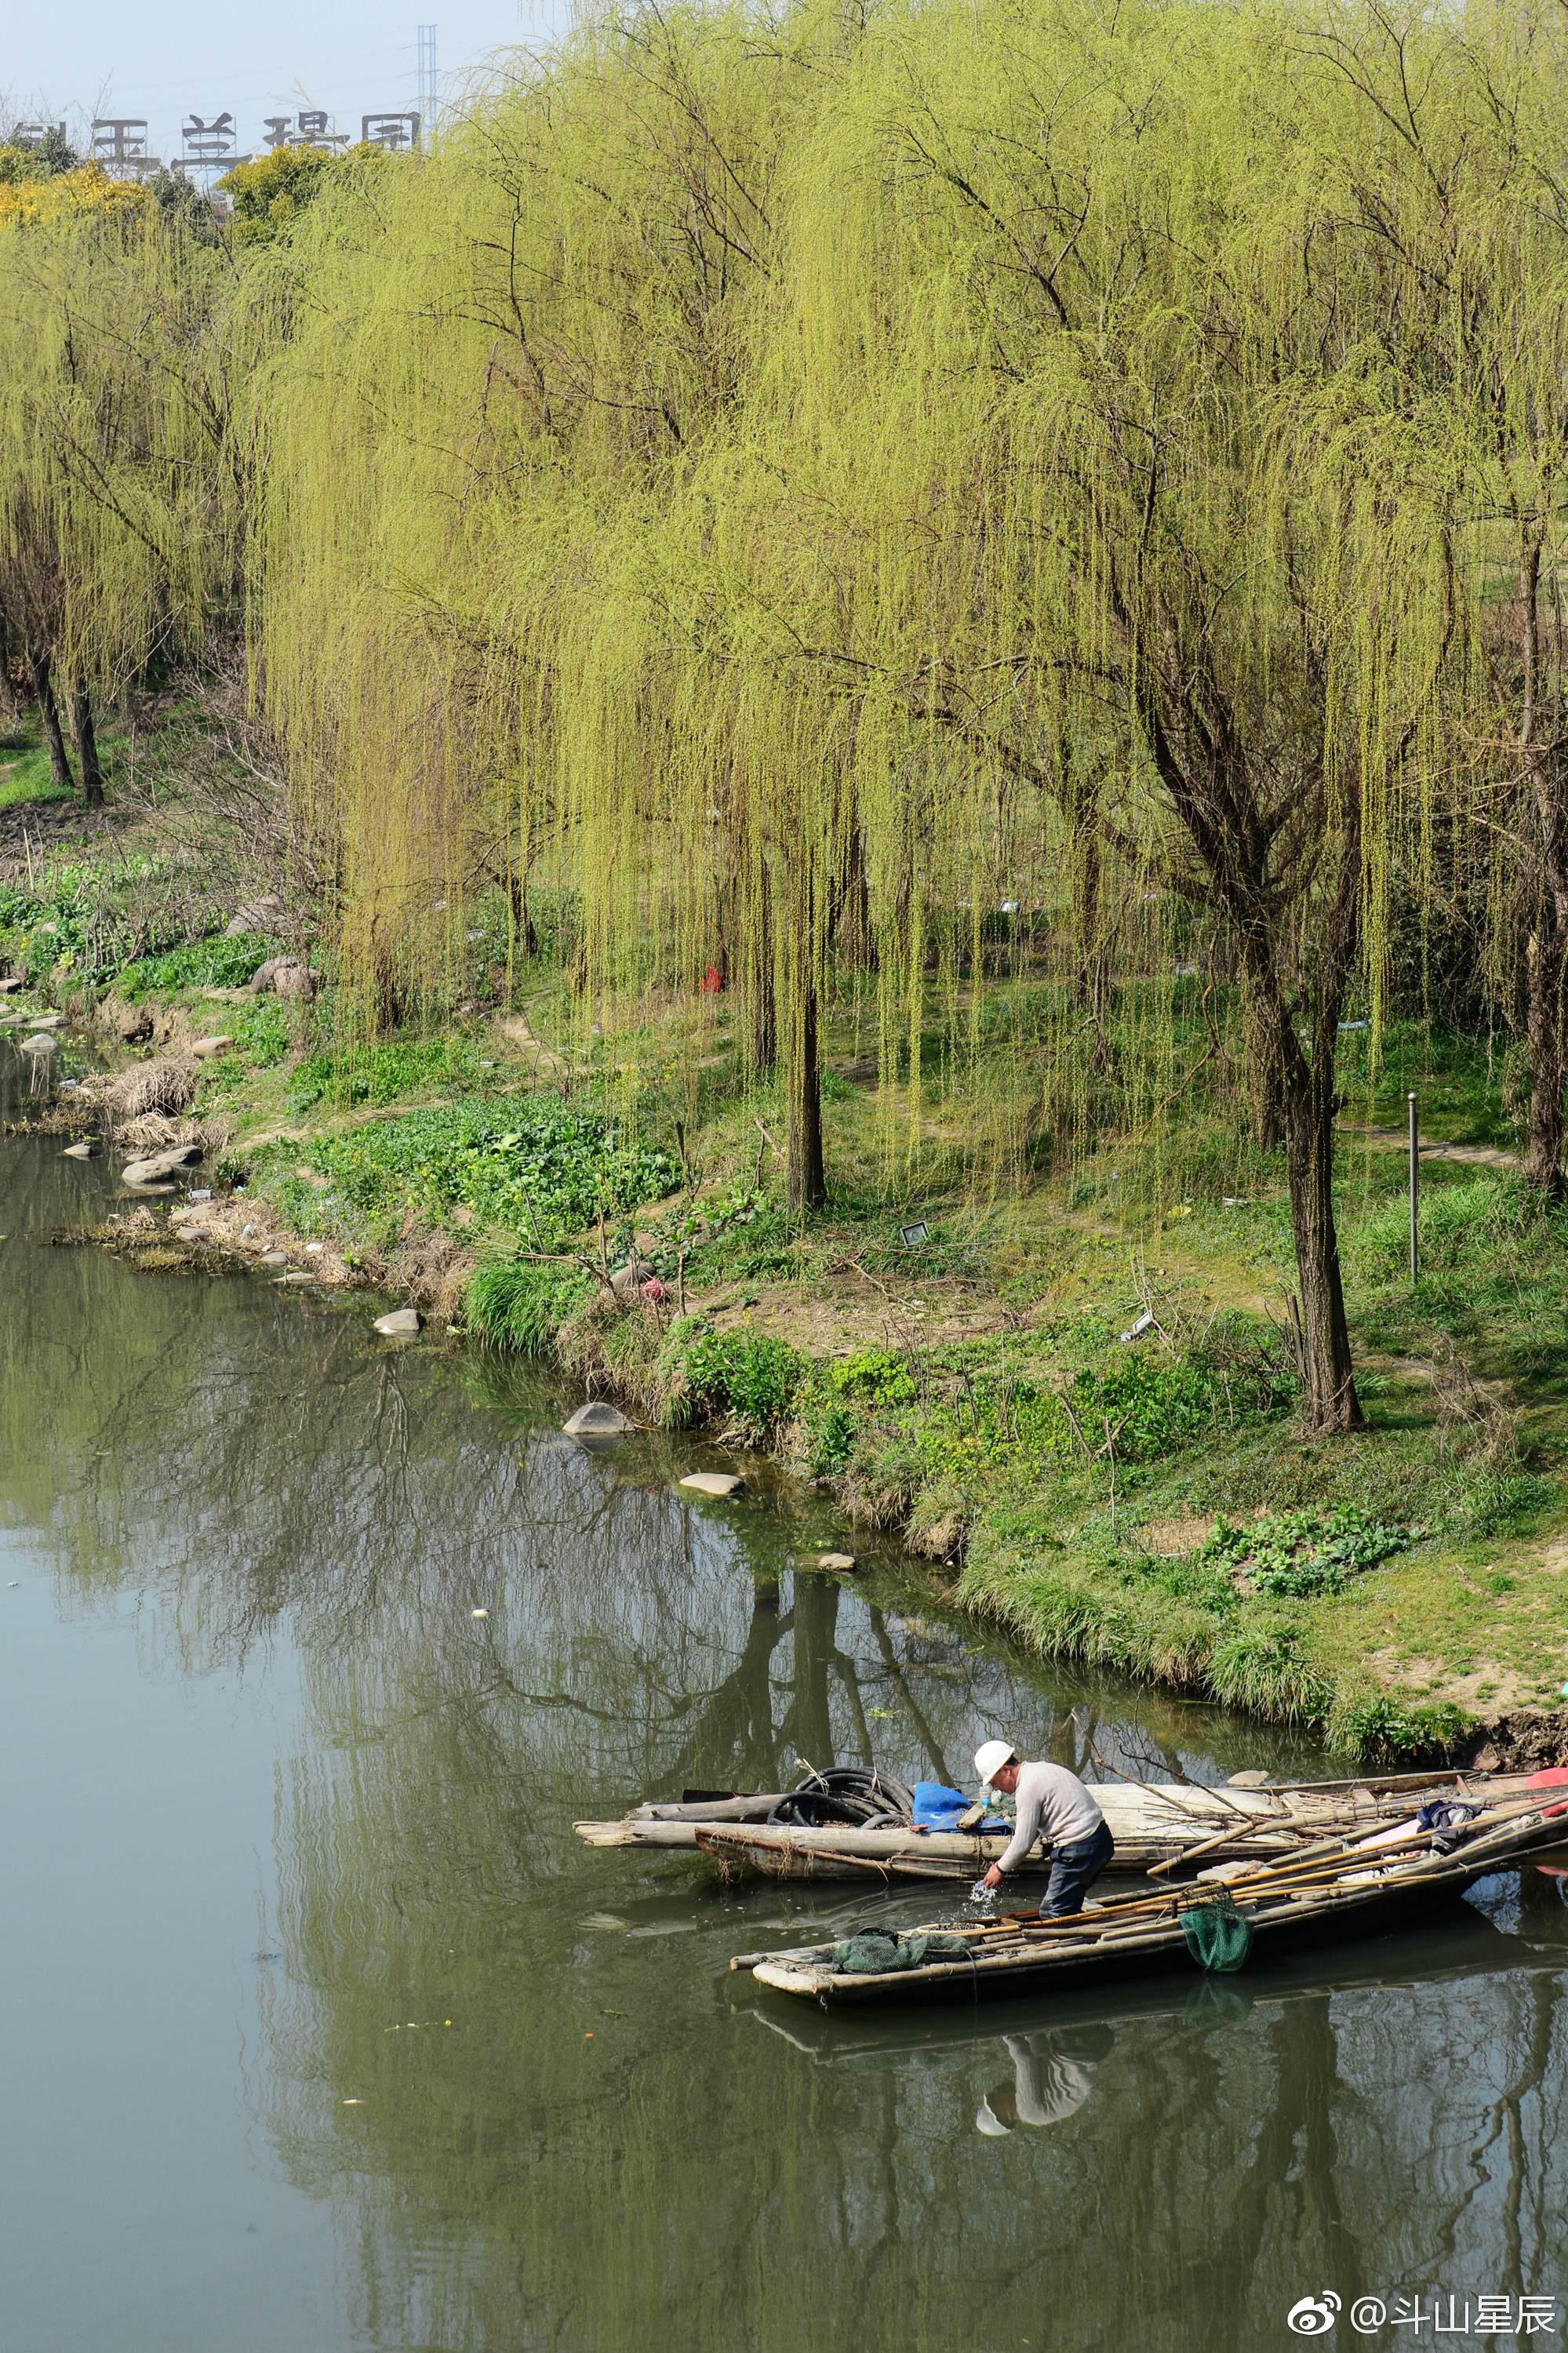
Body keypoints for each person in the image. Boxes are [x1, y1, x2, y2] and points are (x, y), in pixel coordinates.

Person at [973, 1739, 1115, 1917]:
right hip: (1101, 1839)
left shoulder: (1027, 1788)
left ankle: (1068, 1942)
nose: (996, 1789)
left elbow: (1023, 1843)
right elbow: (1030, 1834)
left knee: (1051, 1911)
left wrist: (999, 1869)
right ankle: (1077, 1924)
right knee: (1067, 1903)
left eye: (994, 1782)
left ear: (1006, 1771)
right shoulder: (1040, 1769)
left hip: (1080, 1849)